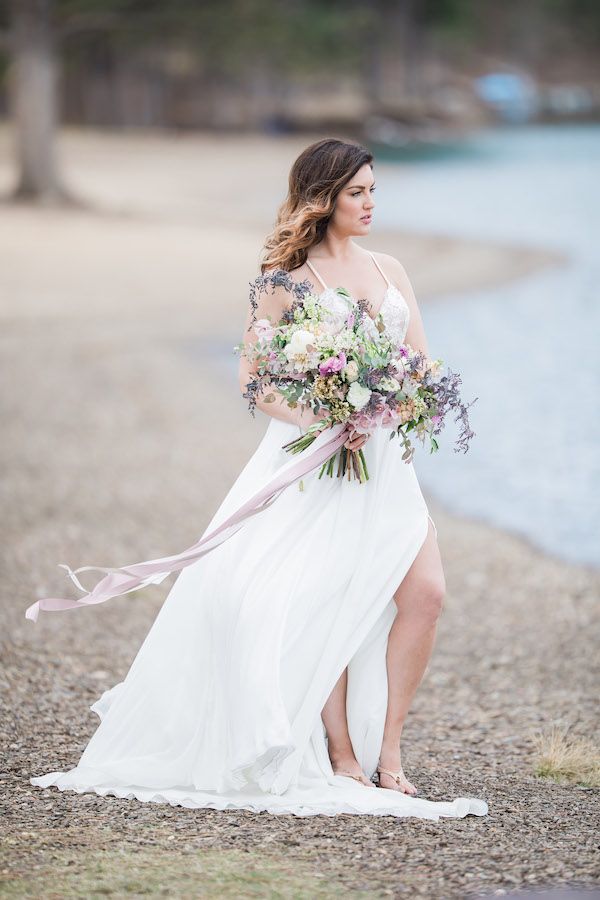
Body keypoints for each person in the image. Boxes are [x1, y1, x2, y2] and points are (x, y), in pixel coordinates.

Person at [29, 138, 488, 821]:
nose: (370, 204)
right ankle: (343, 755)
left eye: (373, 191)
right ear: (323, 197)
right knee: (327, 599)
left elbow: (420, 364)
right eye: (357, 192)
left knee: (426, 595)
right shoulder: (286, 282)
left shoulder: (391, 268)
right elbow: (256, 383)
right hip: (315, 464)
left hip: (388, 464)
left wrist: (391, 403)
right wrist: (326, 418)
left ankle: (390, 752)